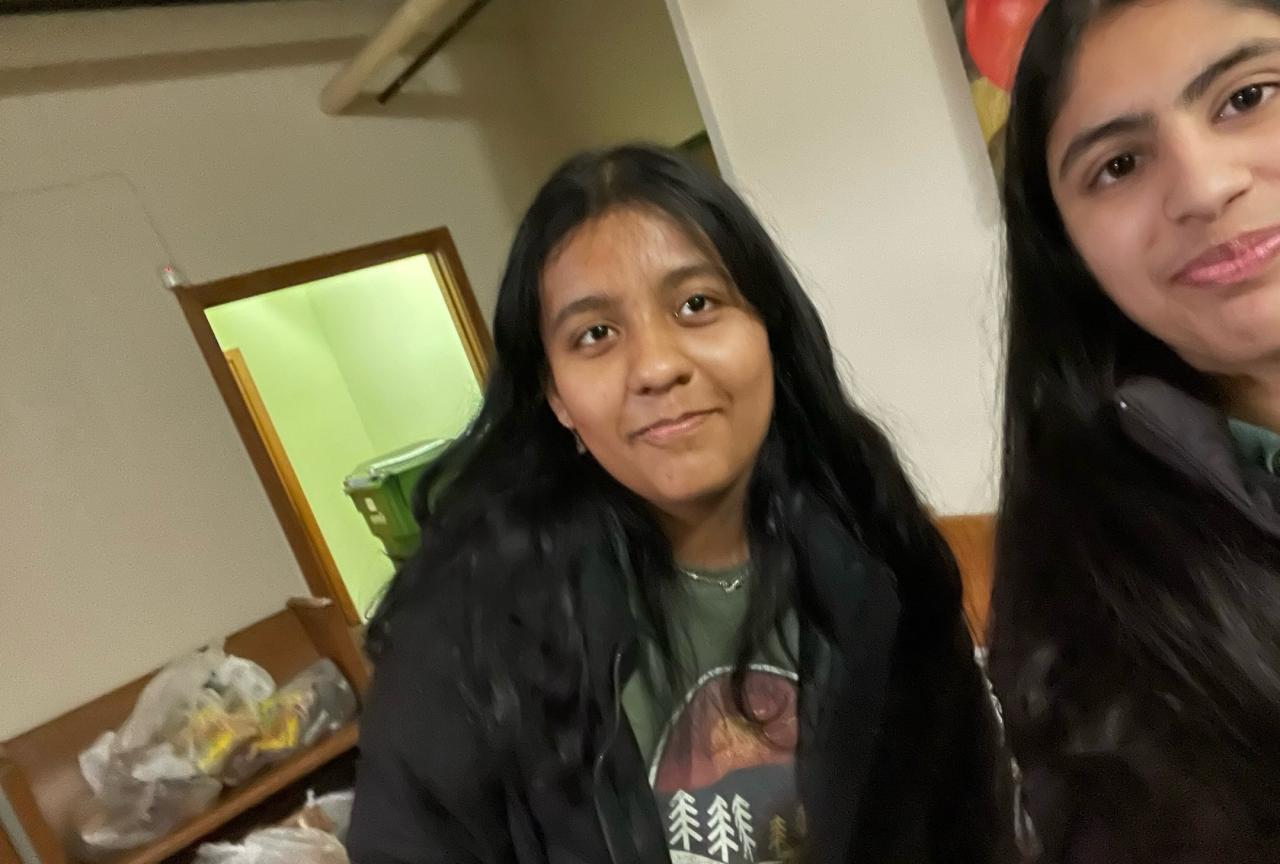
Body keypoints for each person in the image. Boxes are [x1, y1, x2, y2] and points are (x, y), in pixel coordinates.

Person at [345, 144, 1012, 864]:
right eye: (595, 334)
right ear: (556, 396)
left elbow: (969, 816)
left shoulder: (872, 539)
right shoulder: (463, 636)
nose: (658, 367)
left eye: (697, 304)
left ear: (768, 330)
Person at [989, 0, 1280, 859]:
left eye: (1247, 97)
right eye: (1118, 165)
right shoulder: (1084, 614)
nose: (1203, 188)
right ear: (1068, 251)